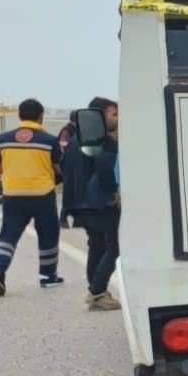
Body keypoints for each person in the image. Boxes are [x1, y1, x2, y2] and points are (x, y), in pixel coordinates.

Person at [0, 98, 63, 296]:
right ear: (41, 117)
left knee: (8, 234)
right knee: (48, 234)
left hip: (13, 194)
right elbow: (58, 168)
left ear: (19, 116)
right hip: (42, 194)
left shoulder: (4, 139)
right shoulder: (49, 140)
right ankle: (48, 276)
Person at [69, 98, 122, 311]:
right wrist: (113, 192)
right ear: (100, 116)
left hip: (81, 201)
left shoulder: (77, 138)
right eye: (114, 114)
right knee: (114, 248)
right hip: (100, 201)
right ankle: (97, 291)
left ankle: (97, 290)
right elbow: (104, 165)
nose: (117, 119)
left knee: (97, 245)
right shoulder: (101, 139)